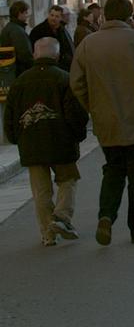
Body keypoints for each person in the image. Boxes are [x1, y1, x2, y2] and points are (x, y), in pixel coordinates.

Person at [70, 0, 134, 246]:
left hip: (108, 120)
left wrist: (93, 106)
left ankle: (106, 215)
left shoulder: (88, 44)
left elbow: (76, 83)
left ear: (105, 15)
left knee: (113, 170)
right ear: (128, 15)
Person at [4, 37, 88, 246]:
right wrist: (78, 135)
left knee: (41, 190)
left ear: (35, 54)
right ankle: (61, 217)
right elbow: (75, 113)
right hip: (61, 141)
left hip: (31, 143)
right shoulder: (64, 79)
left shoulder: (20, 82)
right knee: (68, 180)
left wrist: (15, 138)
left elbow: (10, 115)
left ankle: (47, 234)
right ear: (57, 55)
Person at [29, 5, 74, 72]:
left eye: (57, 16)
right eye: (52, 15)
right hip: (45, 66)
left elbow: (67, 47)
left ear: (61, 18)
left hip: (63, 66)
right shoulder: (38, 30)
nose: (53, 18)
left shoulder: (62, 30)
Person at [0, 0, 35, 77]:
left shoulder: (9, 27)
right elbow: (24, 55)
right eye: (26, 13)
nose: (27, 15)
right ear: (20, 13)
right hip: (18, 71)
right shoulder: (17, 31)